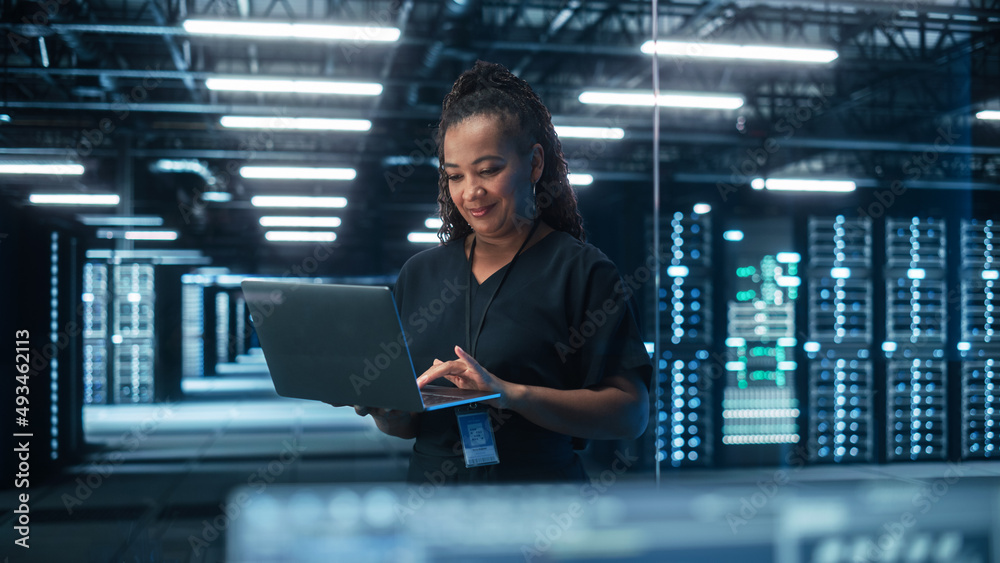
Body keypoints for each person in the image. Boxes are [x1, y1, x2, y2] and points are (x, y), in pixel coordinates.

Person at [356, 60, 652, 483]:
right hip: (434, 506)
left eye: (489, 170)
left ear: (534, 164)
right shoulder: (420, 275)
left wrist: (507, 395)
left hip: (539, 502)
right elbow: (407, 427)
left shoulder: (581, 271)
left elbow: (631, 414)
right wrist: (386, 410)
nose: (470, 191)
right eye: (454, 176)